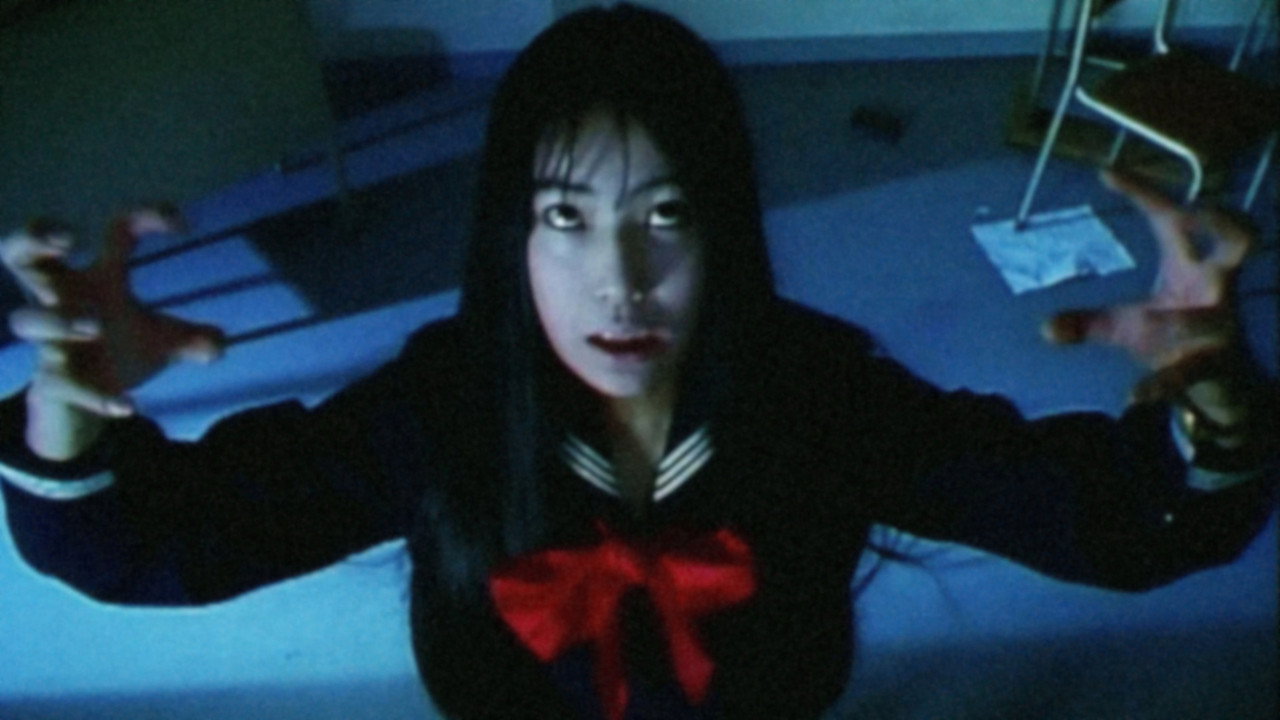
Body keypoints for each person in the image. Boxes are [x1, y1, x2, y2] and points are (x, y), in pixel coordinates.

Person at [0, 5, 1274, 719]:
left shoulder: (814, 392)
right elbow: (161, 544)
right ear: (509, 236)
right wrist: (70, 404)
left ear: (728, 229)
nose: (618, 279)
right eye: (565, 218)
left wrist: (1212, 407)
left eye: (667, 214)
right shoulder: (443, 404)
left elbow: (1102, 521)